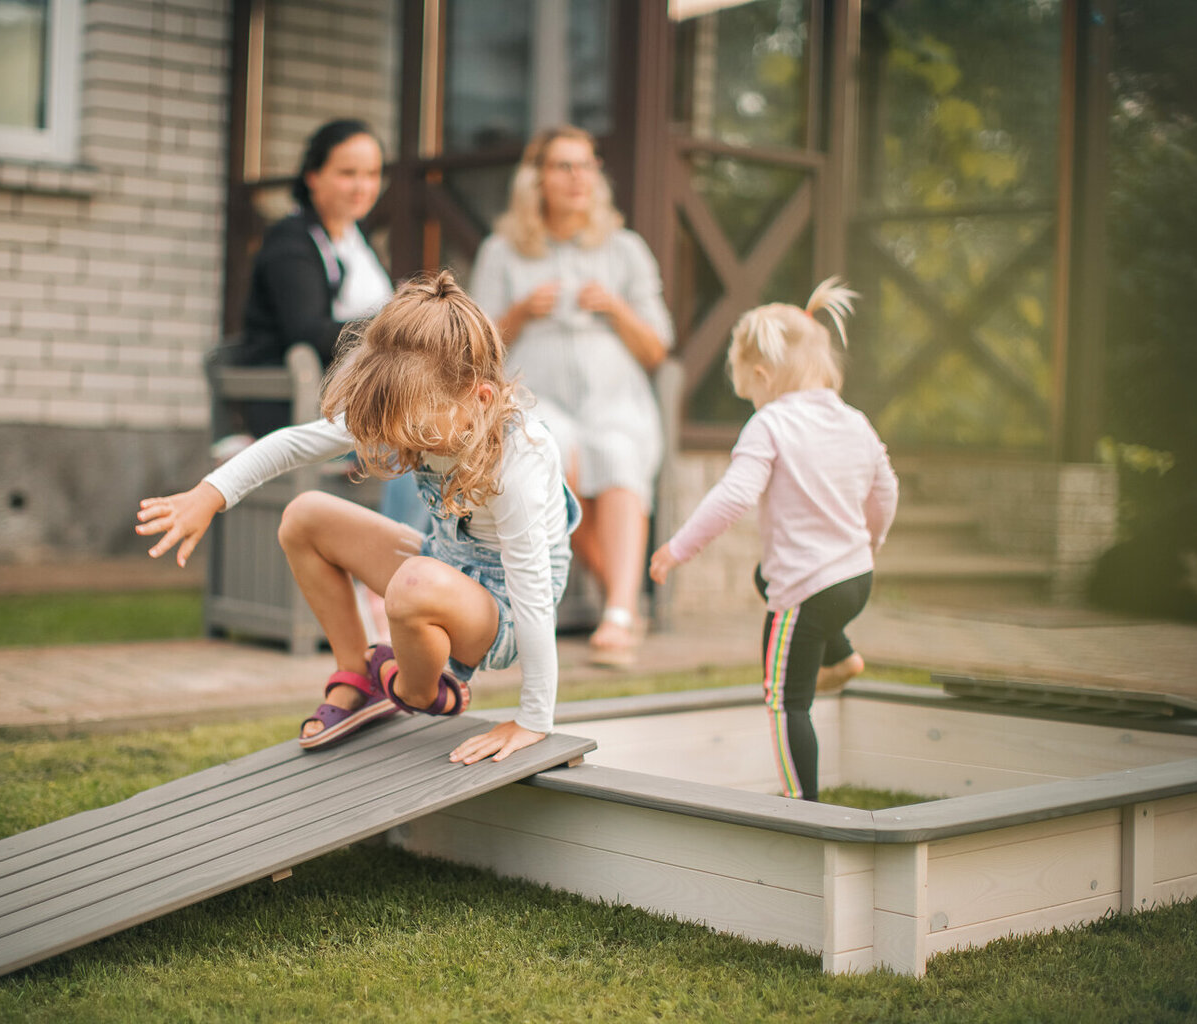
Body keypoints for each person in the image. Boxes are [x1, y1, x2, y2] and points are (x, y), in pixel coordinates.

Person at [138, 271, 581, 765]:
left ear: (480, 399)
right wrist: (209, 494)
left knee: (412, 584)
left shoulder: (521, 459)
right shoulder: (414, 400)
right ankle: (360, 676)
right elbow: (294, 442)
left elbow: (534, 593)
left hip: (507, 611)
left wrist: (534, 719)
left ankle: (418, 692)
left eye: (415, 428)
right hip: (443, 564)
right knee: (305, 517)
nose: (404, 439)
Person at [648, 279, 899, 802]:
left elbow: (732, 497)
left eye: (750, 392)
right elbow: (886, 489)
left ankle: (801, 803)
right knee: (765, 575)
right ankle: (843, 656)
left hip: (809, 591)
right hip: (857, 579)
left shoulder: (771, 423)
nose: (752, 403)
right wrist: (871, 542)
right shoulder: (855, 421)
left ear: (762, 376)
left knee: (786, 701)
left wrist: (677, 548)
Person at [468, 125, 673, 668]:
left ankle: (621, 615)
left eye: (586, 164)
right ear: (537, 179)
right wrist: (519, 313)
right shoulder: (502, 251)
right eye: (563, 165)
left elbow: (656, 348)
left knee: (621, 456)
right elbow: (473, 348)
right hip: (537, 393)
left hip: (615, 395)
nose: (578, 176)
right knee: (559, 464)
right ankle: (625, 599)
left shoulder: (625, 249)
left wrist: (616, 309)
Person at [224, 118, 394, 442]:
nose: (363, 187)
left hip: (353, 400)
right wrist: (391, 328)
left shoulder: (357, 239)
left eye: (372, 174)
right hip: (296, 408)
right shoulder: (290, 242)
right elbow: (308, 332)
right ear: (313, 176)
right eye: (348, 173)